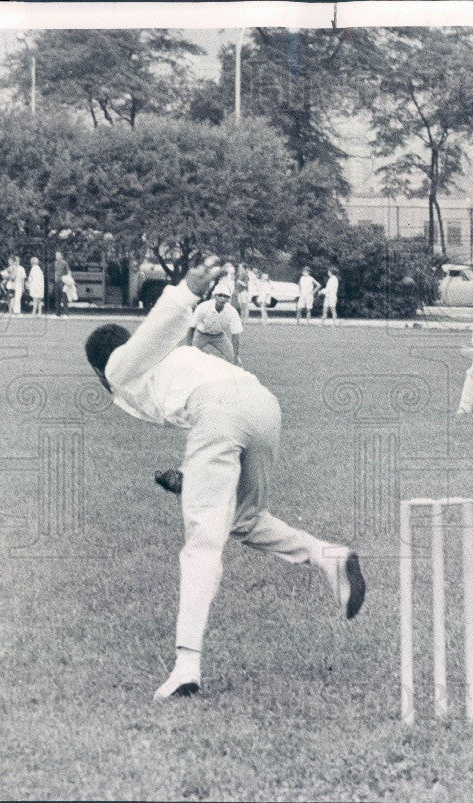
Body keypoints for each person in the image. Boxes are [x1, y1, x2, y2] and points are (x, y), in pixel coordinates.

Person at [83, 261, 366, 701]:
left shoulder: (119, 367)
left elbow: (162, 339)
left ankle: (186, 666)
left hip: (221, 412)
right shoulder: (170, 363)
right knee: (246, 519)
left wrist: (185, 291)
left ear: (100, 370)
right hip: (262, 404)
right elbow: (205, 415)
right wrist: (193, 478)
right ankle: (330, 557)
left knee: (202, 542)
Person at [187, 278, 243, 364]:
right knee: (190, 358)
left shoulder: (232, 311)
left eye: (226, 296)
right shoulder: (203, 307)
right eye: (220, 295)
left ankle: (240, 377)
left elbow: (236, 335)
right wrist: (189, 347)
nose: (222, 298)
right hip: (201, 335)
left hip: (219, 336)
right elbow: (191, 328)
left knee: (237, 362)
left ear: (229, 298)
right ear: (215, 296)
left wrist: (235, 356)